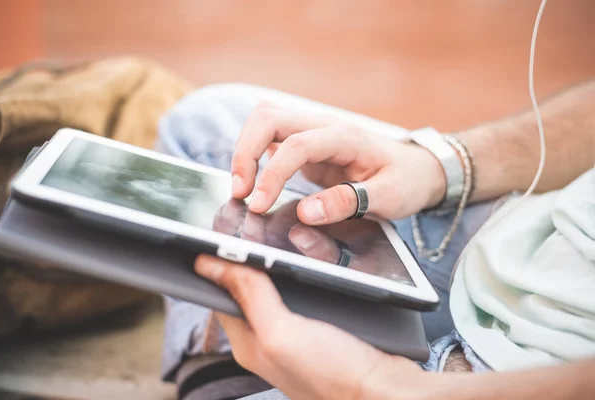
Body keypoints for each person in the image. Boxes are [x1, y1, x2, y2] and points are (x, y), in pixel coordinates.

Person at [156, 81, 594, 400]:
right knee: (203, 127)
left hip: (520, 375)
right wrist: (442, 167)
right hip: (538, 235)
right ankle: (254, 365)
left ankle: (235, 372)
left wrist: (376, 386)